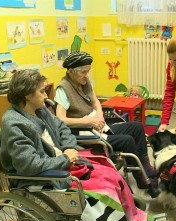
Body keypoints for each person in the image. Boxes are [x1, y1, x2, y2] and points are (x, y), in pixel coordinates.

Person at [0, 70, 157, 221]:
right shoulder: (14, 124)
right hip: (45, 176)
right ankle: (119, 215)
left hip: (62, 160)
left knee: (108, 170)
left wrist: (68, 148)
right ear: (27, 94)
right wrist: (65, 159)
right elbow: (29, 165)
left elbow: (62, 128)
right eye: (42, 91)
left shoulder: (40, 110)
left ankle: (128, 210)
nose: (47, 96)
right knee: (103, 187)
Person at [54, 51, 159, 198]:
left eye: (88, 71)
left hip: (97, 126)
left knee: (137, 127)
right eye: (83, 72)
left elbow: (96, 101)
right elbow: (61, 119)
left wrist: (99, 115)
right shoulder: (63, 89)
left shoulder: (84, 82)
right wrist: (89, 121)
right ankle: (141, 177)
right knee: (127, 140)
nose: (87, 75)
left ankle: (145, 166)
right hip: (83, 132)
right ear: (70, 71)